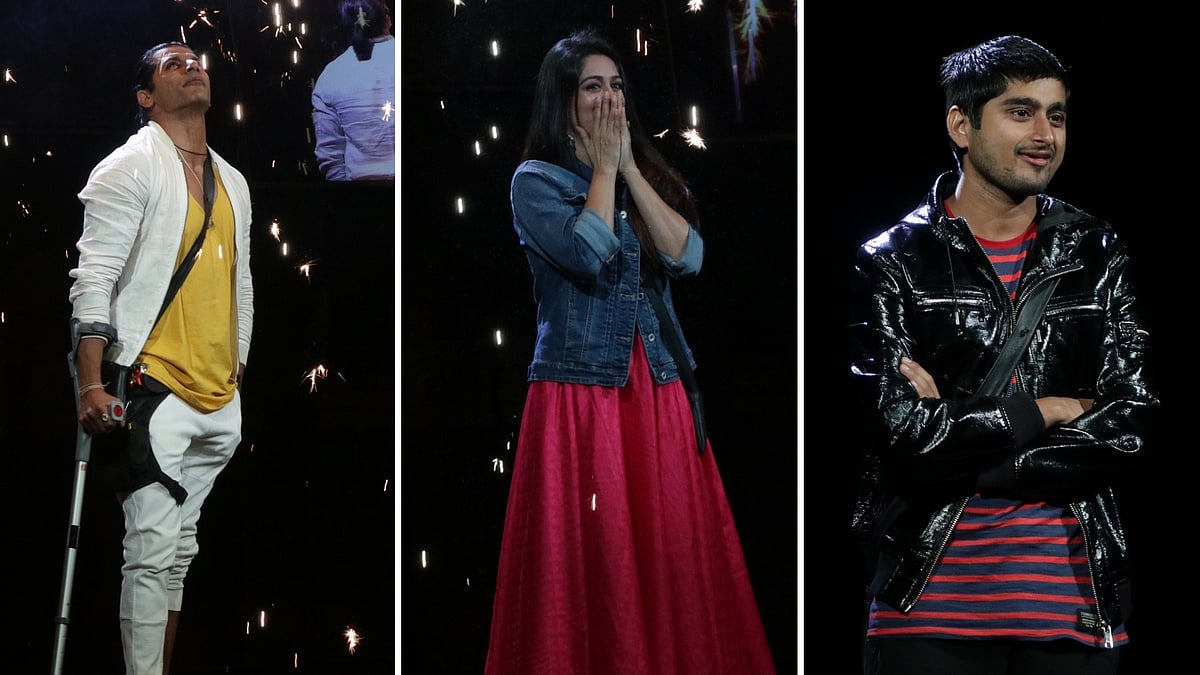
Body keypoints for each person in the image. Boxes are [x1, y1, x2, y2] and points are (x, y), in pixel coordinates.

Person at [848, 35, 1159, 674]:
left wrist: (971, 450)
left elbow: (1130, 423)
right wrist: (1047, 410)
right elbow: (898, 429)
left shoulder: (1097, 254)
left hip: (1071, 611)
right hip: (927, 610)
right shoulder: (893, 261)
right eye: (1021, 112)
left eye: (1057, 114)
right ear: (961, 124)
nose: (1044, 132)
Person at [484, 27, 776, 675]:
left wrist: (630, 173)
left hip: (659, 387)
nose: (609, 98)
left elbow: (689, 255)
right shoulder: (534, 180)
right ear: (563, 103)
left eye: (616, 85)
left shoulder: (639, 172)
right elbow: (587, 252)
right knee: (598, 558)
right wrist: (607, 171)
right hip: (580, 394)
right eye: (592, 86)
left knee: (665, 553)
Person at [68, 40, 253, 675]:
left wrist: (239, 368)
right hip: (153, 387)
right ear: (146, 95)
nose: (191, 66)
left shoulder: (235, 180)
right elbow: (94, 279)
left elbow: (241, 283)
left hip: (218, 397)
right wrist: (90, 384)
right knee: (149, 551)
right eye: (171, 64)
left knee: (179, 553)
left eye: (195, 59)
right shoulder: (128, 167)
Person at [311, 0, 395, 181]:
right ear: (388, 18)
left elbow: (330, 157)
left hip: (360, 198)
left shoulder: (331, 75)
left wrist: (351, 196)